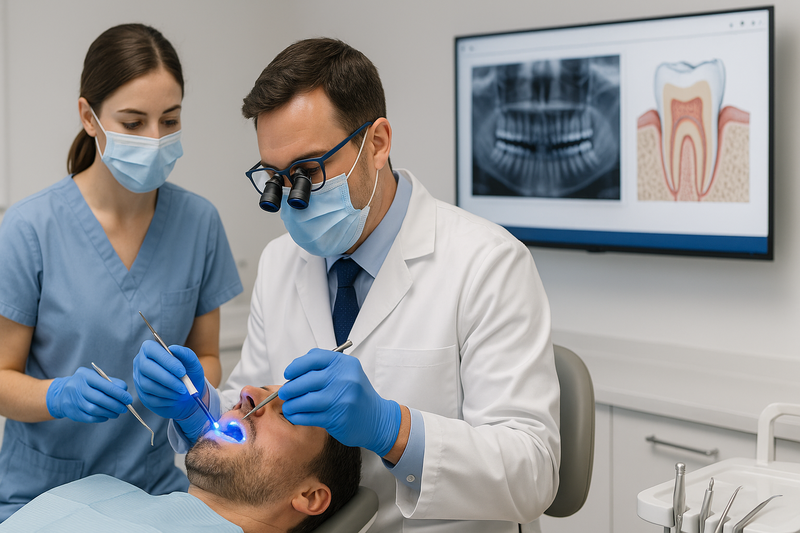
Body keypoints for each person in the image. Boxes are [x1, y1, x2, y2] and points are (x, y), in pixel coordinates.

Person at [133, 38, 560, 532]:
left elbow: (535, 473)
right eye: (275, 177)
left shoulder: (487, 263)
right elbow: (251, 414)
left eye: (309, 172)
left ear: (377, 144)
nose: (292, 198)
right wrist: (198, 412)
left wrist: (391, 428)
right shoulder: (280, 263)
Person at [0, 24, 242, 521]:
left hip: (152, 492)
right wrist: (57, 395)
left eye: (169, 120)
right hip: (43, 494)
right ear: (89, 117)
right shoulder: (30, 227)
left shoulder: (199, 223)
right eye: (133, 123)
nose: (155, 139)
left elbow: (210, 356)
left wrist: (190, 390)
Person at [0, 385, 362, 533]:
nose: (247, 394)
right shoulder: (100, 489)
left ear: (310, 496)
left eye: (284, 414)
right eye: (260, 391)